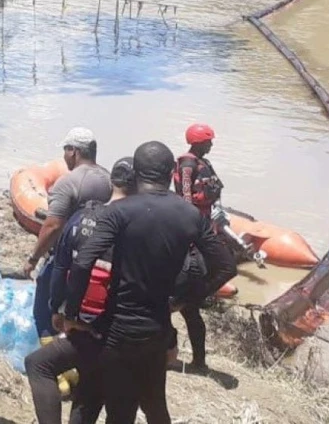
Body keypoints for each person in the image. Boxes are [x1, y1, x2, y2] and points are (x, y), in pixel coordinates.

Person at [63, 141, 237, 424]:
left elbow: (83, 262)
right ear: (170, 174)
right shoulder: (190, 214)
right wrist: (185, 301)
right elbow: (226, 266)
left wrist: (72, 314)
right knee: (154, 402)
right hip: (158, 329)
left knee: (118, 408)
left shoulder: (119, 212)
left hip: (118, 328)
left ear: (136, 174)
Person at [25, 157, 136, 424]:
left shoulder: (83, 218)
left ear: (112, 182)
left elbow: (61, 266)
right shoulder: (141, 227)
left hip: (85, 324)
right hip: (123, 330)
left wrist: (58, 309)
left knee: (39, 365)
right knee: (91, 388)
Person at [26, 127, 112, 395]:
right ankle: (78, 367)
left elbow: (53, 226)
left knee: (45, 311)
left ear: (73, 151)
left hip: (65, 259)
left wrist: (33, 259)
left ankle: (59, 375)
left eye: (66, 150)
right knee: (78, 319)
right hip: (96, 263)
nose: (64, 155)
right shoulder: (107, 180)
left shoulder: (69, 183)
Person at [172, 123, 232, 370]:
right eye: (209, 141)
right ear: (199, 142)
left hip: (205, 227)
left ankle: (198, 360)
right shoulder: (187, 164)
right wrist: (191, 230)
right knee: (191, 308)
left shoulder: (202, 163)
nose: (211, 144)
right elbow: (186, 195)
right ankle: (191, 298)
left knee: (192, 310)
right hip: (193, 231)